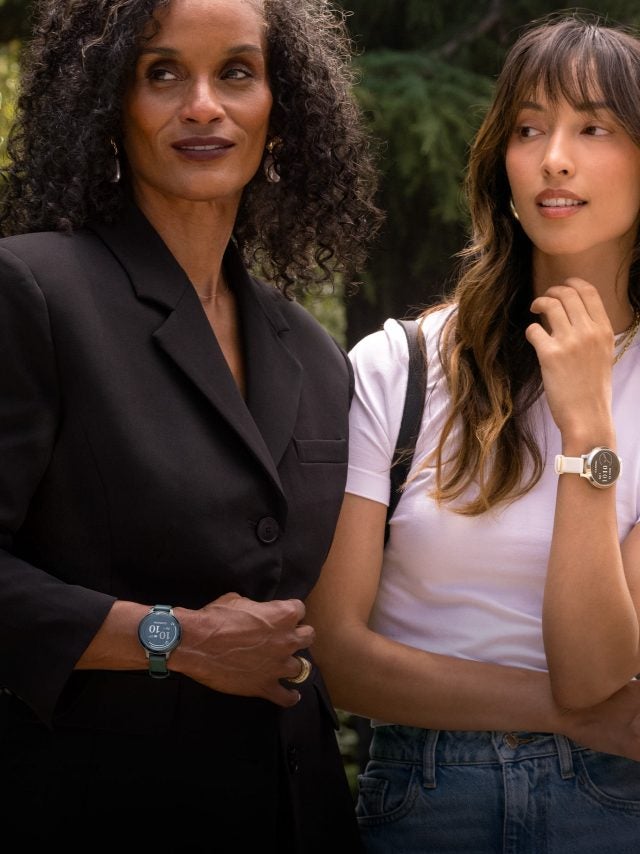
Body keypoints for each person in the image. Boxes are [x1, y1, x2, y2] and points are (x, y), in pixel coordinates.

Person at [0, 0, 382, 848]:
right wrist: (172, 639)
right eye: (162, 72)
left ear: (281, 107)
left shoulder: (317, 355)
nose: (203, 105)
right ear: (109, 102)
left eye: (237, 73)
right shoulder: (31, 292)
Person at [306, 12, 640, 853]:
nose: (553, 157)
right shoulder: (399, 365)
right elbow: (338, 655)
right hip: (422, 798)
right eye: (528, 128)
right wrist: (563, 716)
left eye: (593, 127)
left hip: (613, 807)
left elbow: (596, 668)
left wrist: (587, 428)